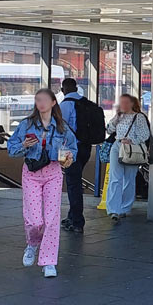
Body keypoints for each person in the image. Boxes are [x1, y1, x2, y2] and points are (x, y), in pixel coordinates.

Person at [8, 88, 76, 278]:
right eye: (38, 100)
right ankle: (32, 243)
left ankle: (48, 262)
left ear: (54, 102)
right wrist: (23, 146)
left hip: (53, 172)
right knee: (34, 220)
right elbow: (11, 148)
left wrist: (69, 156)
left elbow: (72, 148)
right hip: (31, 172)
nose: (41, 103)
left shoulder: (62, 126)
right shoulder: (26, 125)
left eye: (45, 99)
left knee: (52, 218)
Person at [58, 78, 99, 233]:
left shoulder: (64, 106)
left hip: (69, 150)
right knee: (76, 180)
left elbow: (60, 130)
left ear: (63, 90)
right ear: (76, 88)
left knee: (73, 184)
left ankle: (77, 222)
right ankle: (71, 216)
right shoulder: (87, 103)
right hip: (86, 148)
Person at [105, 94, 150, 222]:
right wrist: (116, 118)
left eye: (125, 102)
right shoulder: (119, 116)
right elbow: (109, 129)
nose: (122, 105)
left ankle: (124, 208)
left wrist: (132, 140)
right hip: (117, 146)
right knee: (115, 178)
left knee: (129, 179)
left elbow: (145, 134)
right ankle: (114, 209)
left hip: (132, 148)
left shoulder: (139, 117)